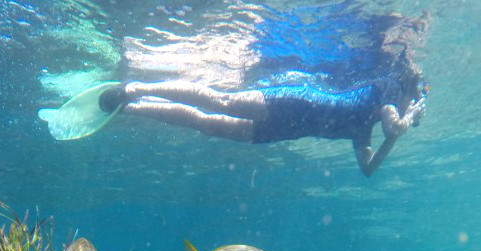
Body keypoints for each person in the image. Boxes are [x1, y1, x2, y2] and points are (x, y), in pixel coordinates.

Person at [97, 50, 427, 177]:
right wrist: (408, 117)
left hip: (288, 129)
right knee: (220, 102)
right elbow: (394, 123)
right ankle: (137, 87)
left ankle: (133, 108)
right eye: (415, 97)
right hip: (295, 102)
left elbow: (368, 169)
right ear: (408, 91)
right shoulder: (389, 90)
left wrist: (396, 136)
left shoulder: (364, 130)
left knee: (207, 125)